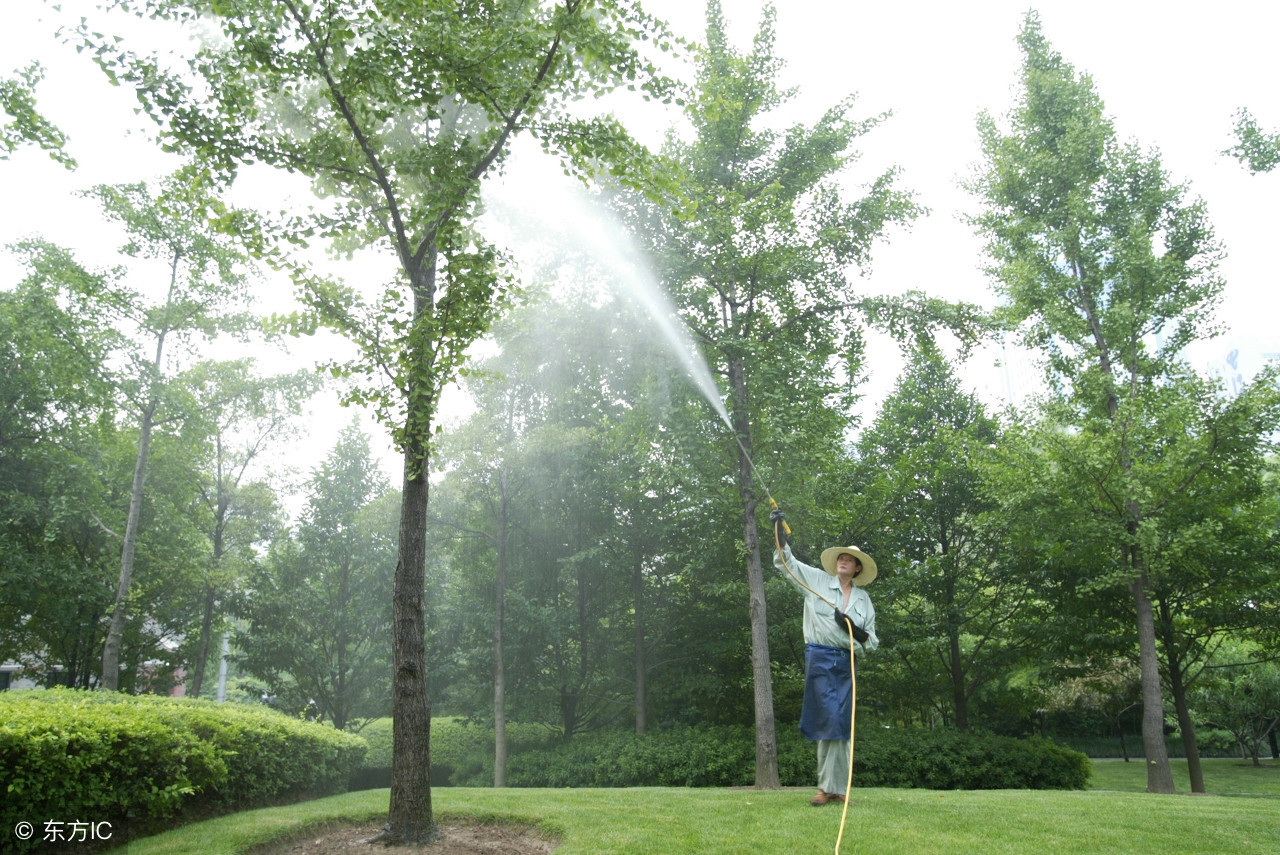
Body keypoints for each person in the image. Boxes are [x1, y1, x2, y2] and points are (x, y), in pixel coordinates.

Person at [769, 508, 878, 807]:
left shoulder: (863, 600)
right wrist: (779, 535)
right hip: (818, 658)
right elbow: (786, 563)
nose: (844, 560)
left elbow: (873, 642)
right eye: (841, 557)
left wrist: (859, 634)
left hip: (847, 664)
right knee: (827, 720)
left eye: (850, 560)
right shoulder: (816, 580)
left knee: (842, 724)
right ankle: (826, 787)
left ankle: (836, 789)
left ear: (856, 569)